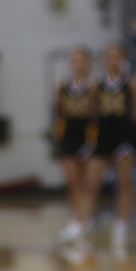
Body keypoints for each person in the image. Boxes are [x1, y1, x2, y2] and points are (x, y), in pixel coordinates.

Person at [89, 42, 136, 254]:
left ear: (122, 60)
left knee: (123, 183)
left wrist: (130, 130)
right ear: (104, 60)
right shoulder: (97, 84)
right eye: (109, 56)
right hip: (104, 137)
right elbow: (92, 110)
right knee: (93, 181)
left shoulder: (130, 83)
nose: (112, 60)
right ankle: (85, 222)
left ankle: (120, 225)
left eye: (116, 56)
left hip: (123, 137)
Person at [52, 46, 97, 248]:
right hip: (69, 135)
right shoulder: (62, 85)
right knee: (72, 181)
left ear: (87, 62)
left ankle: (85, 219)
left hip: (88, 135)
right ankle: (77, 220)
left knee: (87, 181)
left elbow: (97, 113)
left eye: (81, 59)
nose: (78, 63)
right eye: (74, 59)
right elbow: (58, 111)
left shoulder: (95, 85)